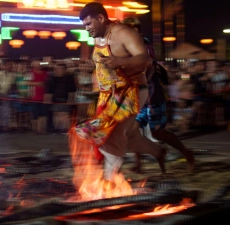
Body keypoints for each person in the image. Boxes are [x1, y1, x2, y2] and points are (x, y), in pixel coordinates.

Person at [69, 2, 166, 184]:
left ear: (101, 18)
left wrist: (120, 62)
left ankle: (109, 182)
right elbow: (102, 65)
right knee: (130, 138)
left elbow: (146, 60)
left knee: (110, 134)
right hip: (108, 95)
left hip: (131, 92)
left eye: (89, 24)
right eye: (84, 26)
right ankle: (159, 153)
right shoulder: (98, 36)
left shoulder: (124, 33)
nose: (87, 29)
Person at [122, 17, 194, 173]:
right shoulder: (128, 47)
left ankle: (187, 153)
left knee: (159, 133)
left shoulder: (144, 46)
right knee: (132, 131)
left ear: (137, 30)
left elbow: (148, 72)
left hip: (152, 95)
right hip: (137, 96)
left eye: (131, 28)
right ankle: (139, 164)